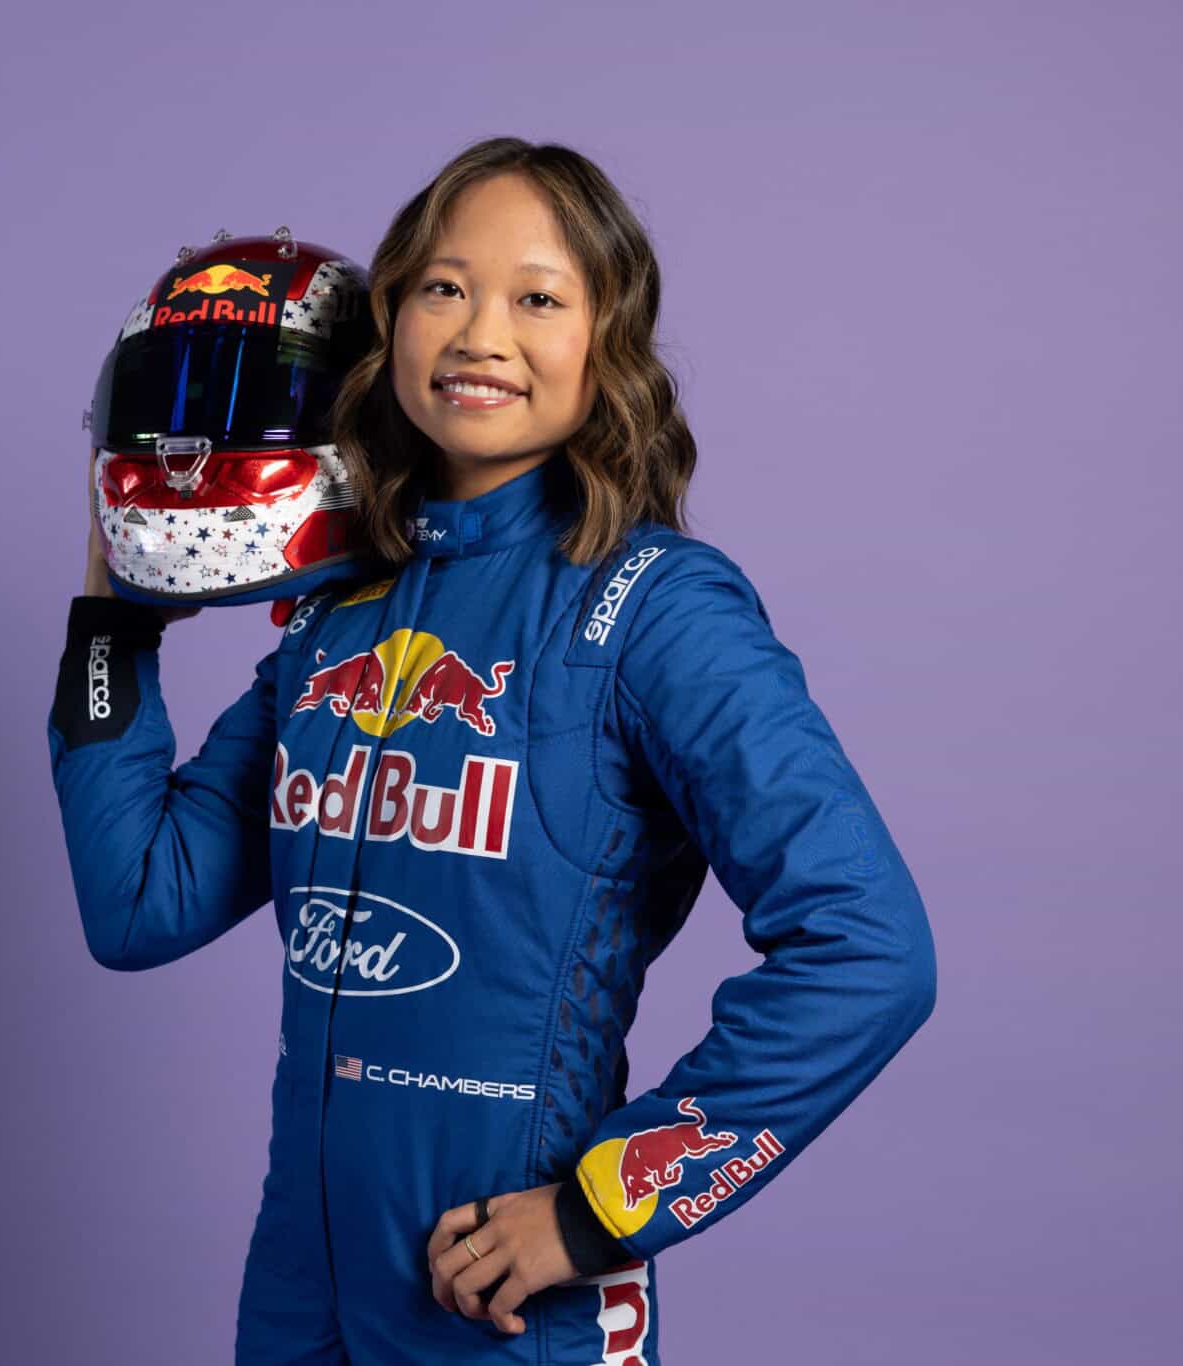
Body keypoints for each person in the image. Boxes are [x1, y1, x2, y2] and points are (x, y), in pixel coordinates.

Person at [48, 137, 938, 1365]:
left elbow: (870, 949)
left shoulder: (652, 607)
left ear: (605, 342)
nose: (479, 333)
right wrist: (112, 618)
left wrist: (600, 1210)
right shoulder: (334, 614)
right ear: (391, 321)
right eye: (443, 287)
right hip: (302, 1291)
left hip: (502, 1309)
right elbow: (139, 901)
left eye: (537, 296)